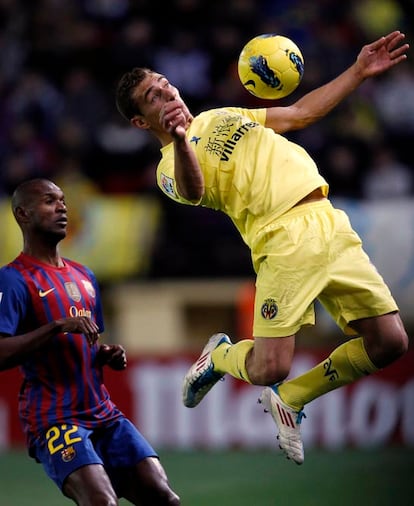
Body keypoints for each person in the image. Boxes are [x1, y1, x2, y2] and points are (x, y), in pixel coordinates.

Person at [115, 31, 410, 465]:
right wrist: (179, 141)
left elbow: (299, 113)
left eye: (164, 85)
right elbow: (195, 190)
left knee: (390, 342)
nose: (167, 94)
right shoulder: (166, 169)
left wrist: (359, 71)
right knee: (268, 368)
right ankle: (219, 356)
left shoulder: (223, 114)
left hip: (329, 221)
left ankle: (292, 398)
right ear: (142, 122)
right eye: (152, 97)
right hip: (282, 238)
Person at [0, 178, 180, 505]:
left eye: (63, 200)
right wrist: (56, 326)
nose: (62, 207)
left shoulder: (84, 275)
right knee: (102, 502)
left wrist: (104, 354)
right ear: (23, 215)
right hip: (54, 417)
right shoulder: (13, 278)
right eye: (49, 201)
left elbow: (86, 344)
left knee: (164, 497)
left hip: (103, 413)